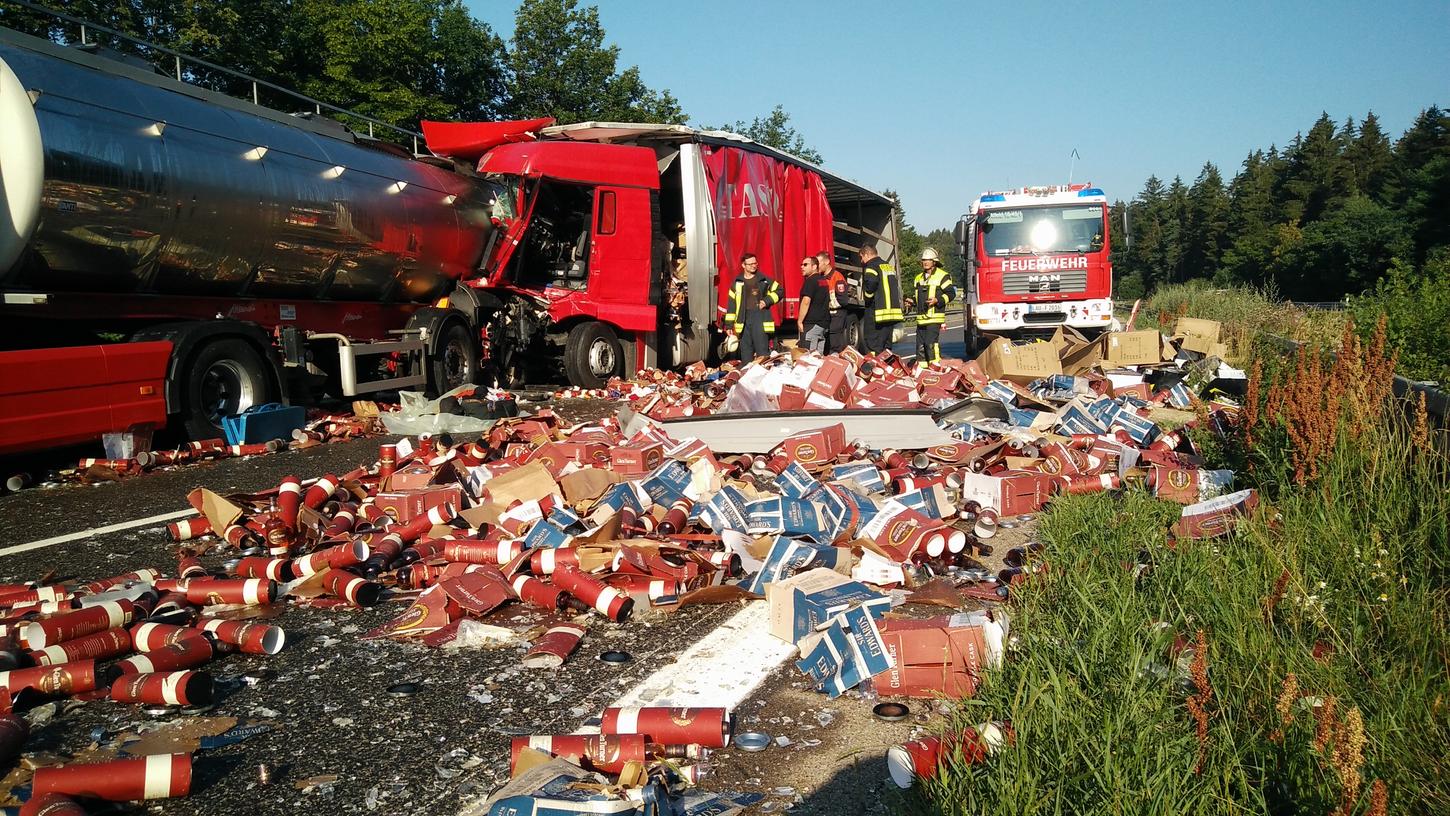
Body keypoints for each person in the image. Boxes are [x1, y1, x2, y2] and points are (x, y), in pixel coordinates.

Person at [723, 253, 781, 362]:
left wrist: (767, 300)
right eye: (750, 264)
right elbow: (731, 306)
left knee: (762, 353)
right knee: (746, 353)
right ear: (743, 265)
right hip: (743, 320)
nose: (754, 266)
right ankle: (746, 375)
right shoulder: (737, 282)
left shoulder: (763, 280)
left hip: (759, 318)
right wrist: (729, 326)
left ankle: (763, 375)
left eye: (755, 263)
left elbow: (780, 291)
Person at [911, 247, 957, 366]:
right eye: (923, 260)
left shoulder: (943, 276)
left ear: (934, 262)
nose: (925, 262)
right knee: (920, 347)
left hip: (934, 317)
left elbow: (951, 293)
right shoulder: (918, 278)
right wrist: (911, 301)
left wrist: (938, 300)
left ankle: (935, 368)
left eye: (928, 260)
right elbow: (917, 298)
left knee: (930, 344)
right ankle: (922, 371)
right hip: (921, 319)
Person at [858, 243, 902, 353]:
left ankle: (876, 368)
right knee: (886, 347)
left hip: (877, 313)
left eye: (861, 257)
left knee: (873, 345)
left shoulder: (871, 266)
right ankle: (888, 368)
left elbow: (871, 284)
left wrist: (867, 298)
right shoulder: (887, 266)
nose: (861, 261)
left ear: (867, 254)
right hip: (891, 314)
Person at [796, 255, 829, 353]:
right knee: (819, 358)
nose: (802, 267)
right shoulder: (823, 281)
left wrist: (800, 321)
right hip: (822, 325)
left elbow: (806, 302)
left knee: (809, 360)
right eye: (801, 265)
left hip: (811, 325)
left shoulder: (810, 281)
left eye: (805, 265)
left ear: (814, 267)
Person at [818, 251, 848, 353]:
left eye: (819, 263)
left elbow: (843, 301)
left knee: (835, 346)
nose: (817, 266)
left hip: (837, 316)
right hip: (827, 317)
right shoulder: (821, 278)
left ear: (826, 262)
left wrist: (827, 305)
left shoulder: (837, 277)